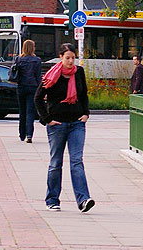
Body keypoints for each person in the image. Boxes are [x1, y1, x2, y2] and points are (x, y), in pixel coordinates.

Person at [34, 43, 94, 212]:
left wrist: (86, 113)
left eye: (73, 58)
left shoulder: (79, 73)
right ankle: (52, 200)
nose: (70, 61)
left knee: (77, 161)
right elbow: (38, 98)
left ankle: (84, 200)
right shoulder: (52, 75)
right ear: (60, 57)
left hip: (77, 123)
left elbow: (83, 95)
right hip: (57, 125)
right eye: (67, 58)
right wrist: (47, 119)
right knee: (56, 163)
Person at [13, 40, 43, 143]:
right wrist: (42, 90)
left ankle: (22, 134)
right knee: (30, 112)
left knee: (22, 112)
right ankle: (29, 135)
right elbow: (38, 76)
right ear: (33, 47)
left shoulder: (18, 59)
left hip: (21, 87)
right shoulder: (37, 60)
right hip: (33, 87)